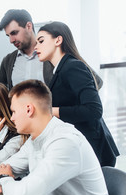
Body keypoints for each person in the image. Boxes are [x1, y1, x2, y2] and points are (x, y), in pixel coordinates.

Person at [0, 80, 116, 195]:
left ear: (29, 109)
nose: (12, 118)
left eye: (14, 111)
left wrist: (3, 177)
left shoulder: (65, 142)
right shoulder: (35, 140)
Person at [35, 21, 119, 167]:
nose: (36, 46)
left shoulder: (73, 67)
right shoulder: (60, 70)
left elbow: (94, 110)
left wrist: (51, 111)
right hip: (81, 148)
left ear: (58, 40)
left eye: (41, 41)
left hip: (94, 151)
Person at [0, 9, 102, 90]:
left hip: (53, 118)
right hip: (20, 119)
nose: (11, 40)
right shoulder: (8, 61)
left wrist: (67, 111)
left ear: (28, 26)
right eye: (8, 35)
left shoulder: (53, 52)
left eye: (14, 33)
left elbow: (96, 81)